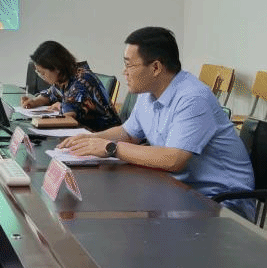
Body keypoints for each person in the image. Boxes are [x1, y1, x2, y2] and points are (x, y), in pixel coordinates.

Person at [59, 27, 255, 218]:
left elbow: (173, 160)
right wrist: (88, 139)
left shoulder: (192, 98)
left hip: (221, 202)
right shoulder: (148, 94)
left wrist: (111, 148)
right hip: (178, 189)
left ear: (155, 68)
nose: (124, 72)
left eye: (129, 65)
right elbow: (128, 133)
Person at [20, 41, 121, 131]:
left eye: (43, 73)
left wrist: (36, 121)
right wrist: (34, 102)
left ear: (57, 68)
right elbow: (49, 95)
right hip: (85, 132)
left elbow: (67, 118)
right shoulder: (64, 78)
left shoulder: (81, 81)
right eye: (39, 73)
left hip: (103, 135)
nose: (42, 77)